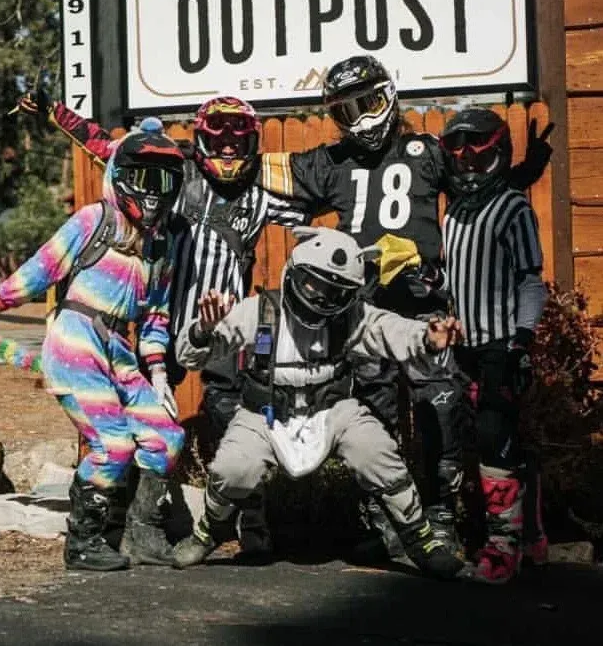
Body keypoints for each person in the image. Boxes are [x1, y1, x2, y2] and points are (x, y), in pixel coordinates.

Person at [259, 54, 553, 554]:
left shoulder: (426, 150)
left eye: (367, 104)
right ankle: (387, 524)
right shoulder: (333, 161)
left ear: (390, 95)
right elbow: (259, 170)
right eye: (344, 111)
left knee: (441, 411)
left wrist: (525, 170)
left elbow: (477, 182)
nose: (359, 120)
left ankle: (440, 520)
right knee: (372, 421)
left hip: (425, 310)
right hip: (363, 314)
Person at [17, 91, 309, 559]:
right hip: (164, 322)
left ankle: (253, 522)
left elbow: (313, 216)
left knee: (233, 417)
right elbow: (107, 146)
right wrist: (55, 110)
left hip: (223, 330)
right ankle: (124, 523)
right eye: (221, 139)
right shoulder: (173, 172)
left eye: (239, 141)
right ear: (202, 138)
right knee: (143, 421)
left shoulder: (259, 196)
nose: (230, 149)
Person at [172, 225, 466, 580]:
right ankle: (209, 530)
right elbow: (190, 357)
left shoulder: (351, 317)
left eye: (336, 292)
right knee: (233, 468)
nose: (323, 299)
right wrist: (203, 331)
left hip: (331, 409)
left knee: (376, 451)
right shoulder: (260, 311)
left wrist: (427, 338)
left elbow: (388, 328)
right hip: (267, 413)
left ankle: (421, 540)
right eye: (315, 285)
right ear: (295, 272)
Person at [0, 118, 186, 571]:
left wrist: (161, 373)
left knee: (166, 437)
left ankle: (139, 533)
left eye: (164, 180)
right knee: (112, 444)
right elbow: (42, 267)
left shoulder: (160, 246)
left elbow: (156, 315)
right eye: (144, 177)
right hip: (76, 341)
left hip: (119, 351)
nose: (153, 190)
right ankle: (83, 541)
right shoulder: (95, 220)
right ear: (122, 175)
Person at [439, 107, 548, 584]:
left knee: (494, 437)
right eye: (458, 152)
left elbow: (530, 281)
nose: (466, 161)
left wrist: (522, 342)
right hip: (461, 344)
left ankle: (504, 544)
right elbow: (453, 274)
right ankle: (532, 534)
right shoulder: (455, 211)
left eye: (477, 151)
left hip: (500, 343)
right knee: (471, 439)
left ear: (497, 153)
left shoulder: (514, 208)